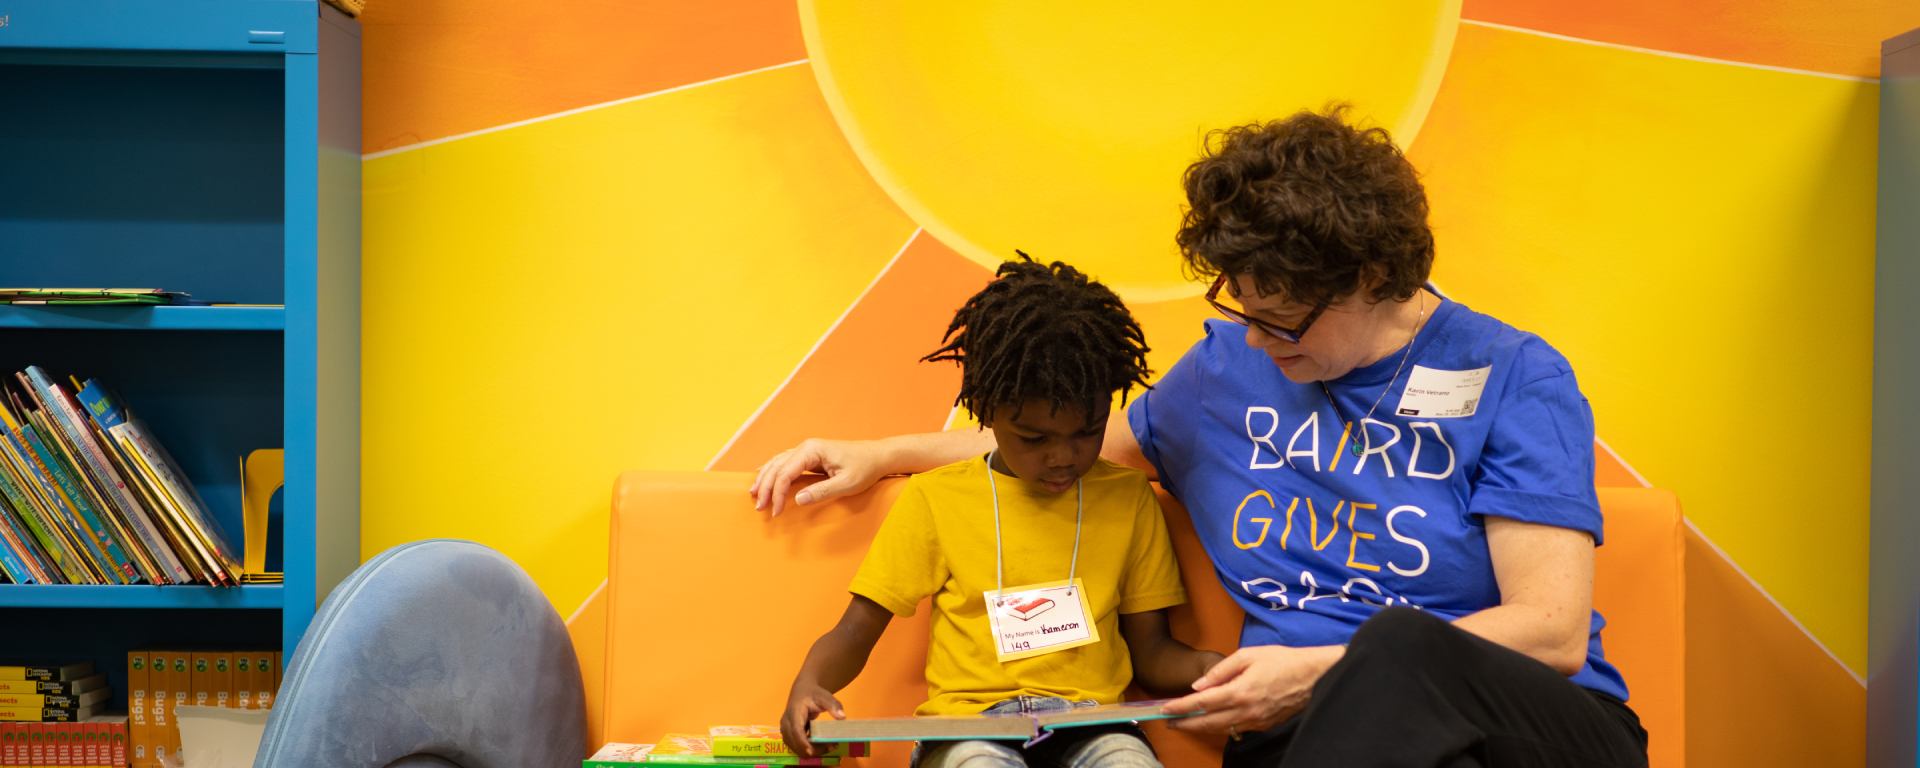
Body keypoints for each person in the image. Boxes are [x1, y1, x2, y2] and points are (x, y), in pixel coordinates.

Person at [754, 107, 1650, 768]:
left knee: (1401, 643)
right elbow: (1065, 449)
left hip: (1526, 730)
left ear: (1373, 275)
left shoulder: (1515, 376)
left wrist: (1321, 670)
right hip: (1305, 737)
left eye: (1282, 319)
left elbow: (1550, 631)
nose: (1254, 340)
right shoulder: (1225, 371)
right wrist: (884, 455)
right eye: (1240, 307)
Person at [779, 255, 1226, 768]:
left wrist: (1208, 667)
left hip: (1093, 724)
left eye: (1087, 432)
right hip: (968, 731)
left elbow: (1152, 651)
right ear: (987, 412)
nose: (1063, 456)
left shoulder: (1128, 498)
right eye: (1034, 438)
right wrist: (810, 683)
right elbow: (855, 630)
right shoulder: (935, 498)